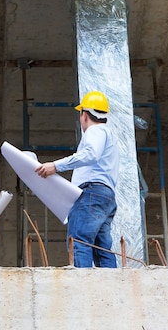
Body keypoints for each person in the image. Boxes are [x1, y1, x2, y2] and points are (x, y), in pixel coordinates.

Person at [35, 91, 120, 268]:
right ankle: (112, 288)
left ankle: (84, 285)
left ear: (85, 115)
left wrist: (56, 166)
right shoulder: (109, 135)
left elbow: (91, 154)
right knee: (101, 248)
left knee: (80, 241)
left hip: (91, 194)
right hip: (105, 196)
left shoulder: (94, 131)